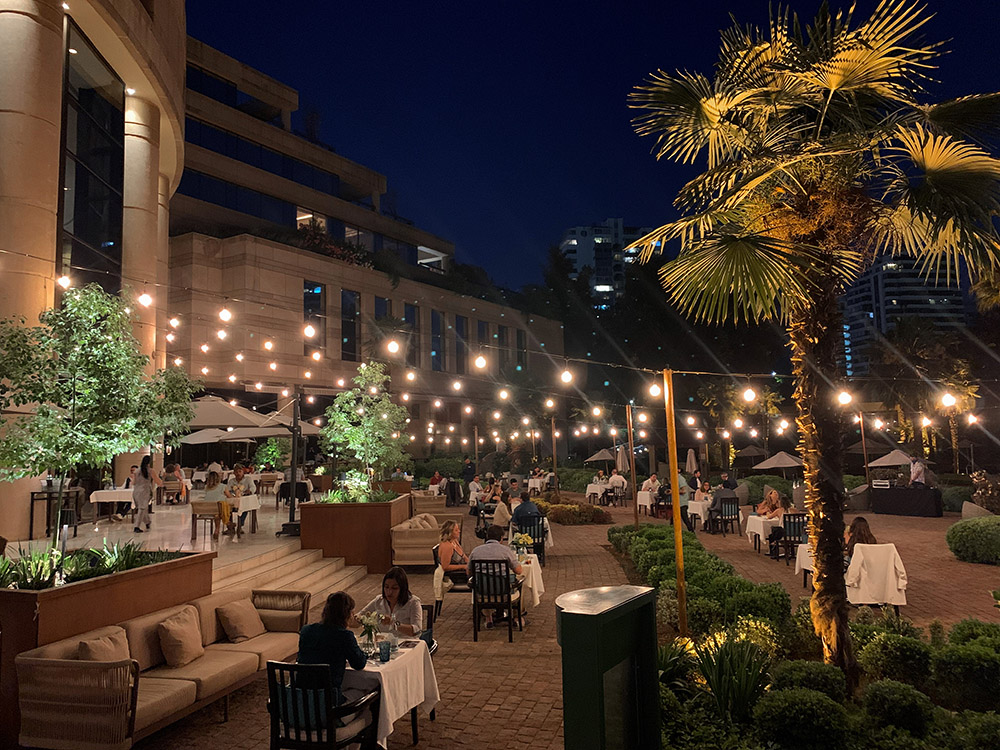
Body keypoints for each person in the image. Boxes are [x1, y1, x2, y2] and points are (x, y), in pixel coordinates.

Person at [296, 591, 367, 699]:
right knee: (370, 691)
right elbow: (359, 664)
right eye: (352, 613)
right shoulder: (344, 636)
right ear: (347, 614)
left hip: (301, 698)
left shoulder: (306, 630)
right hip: (329, 702)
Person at [467, 525, 523, 628]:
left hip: (482, 593)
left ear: (488, 536)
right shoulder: (505, 551)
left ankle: (488, 618)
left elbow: (469, 572)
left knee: (484, 586)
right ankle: (516, 617)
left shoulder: (476, 551)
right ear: (501, 538)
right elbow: (518, 570)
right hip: (503, 593)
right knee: (519, 584)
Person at [360, 567, 422, 636]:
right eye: (386, 587)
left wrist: (393, 624)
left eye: (394, 588)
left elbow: (417, 630)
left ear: (402, 589)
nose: (389, 592)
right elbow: (360, 616)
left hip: (406, 643)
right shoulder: (379, 600)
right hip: (382, 643)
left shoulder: (413, 602)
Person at [132, 455, 160, 534]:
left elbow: (133, 483)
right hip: (145, 491)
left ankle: (147, 522)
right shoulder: (150, 471)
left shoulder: (136, 471)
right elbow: (157, 480)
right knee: (142, 509)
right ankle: (136, 526)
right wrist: (162, 484)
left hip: (136, 491)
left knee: (142, 508)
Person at [225, 464, 257, 534]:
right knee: (227, 507)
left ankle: (240, 525)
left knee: (244, 507)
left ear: (243, 472)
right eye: (236, 472)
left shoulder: (248, 479)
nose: (238, 473)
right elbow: (227, 490)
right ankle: (230, 526)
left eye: (240, 471)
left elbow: (253, 487)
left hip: (245, 499)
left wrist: (249, 491)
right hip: (234, 499)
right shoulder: (231, 481)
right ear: (234, 473)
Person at [204, 471, 229, 539]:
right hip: (218, 510)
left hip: (207, 510)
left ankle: (224, 526)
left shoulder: (206, 487)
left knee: (217, 512)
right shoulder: (223, 486)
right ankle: (222, 526)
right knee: (223, 509)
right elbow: (229, 496)